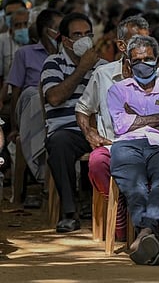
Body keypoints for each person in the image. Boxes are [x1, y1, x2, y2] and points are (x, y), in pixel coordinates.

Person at [107, 35, 159, 265]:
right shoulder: (118, 90)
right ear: (129, 62)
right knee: (135, 185)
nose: (143, 64)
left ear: (158, 60)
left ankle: (144, 235)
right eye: (137, 60)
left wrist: (137, 118)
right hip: (127, 145)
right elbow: (120, 125)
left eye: (148, 59)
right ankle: (150, 234)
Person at [75, 16, 150, 241]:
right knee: (96, 163)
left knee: (158, 164)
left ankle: (143, 226)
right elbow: (82, 108)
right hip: (111, 146)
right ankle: (118, 211)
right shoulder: (103, 74)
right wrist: (90, 133)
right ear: (121, 45)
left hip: (147, 146)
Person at [41, 12, 106, 233]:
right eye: (77, 35)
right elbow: (54, 97)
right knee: (58, 143)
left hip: (98, 130)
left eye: (87, 34)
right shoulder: (54, 63)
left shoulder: (103, 66)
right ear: (65, 40)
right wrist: (82, 69)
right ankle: (69, 212)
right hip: (67, 131)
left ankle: (111, 209)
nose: (84, 39)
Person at [7, 9, 64, 185]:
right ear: (46, 30)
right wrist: (14, 126)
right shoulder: (24, 53)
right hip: (29, 105)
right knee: (35, 94)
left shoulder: (65, 56)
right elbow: (15, 91)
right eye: (57, 28)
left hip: (56, 106)